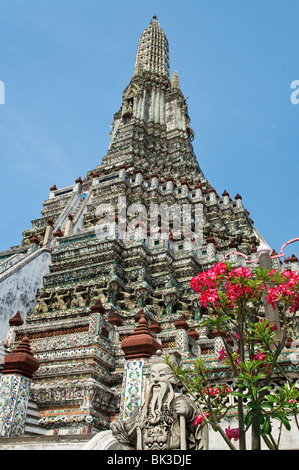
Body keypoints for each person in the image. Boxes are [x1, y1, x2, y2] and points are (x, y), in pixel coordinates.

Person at [110, 351, 207, 450]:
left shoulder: (180, 401)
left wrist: (189, 414)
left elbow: (200, 424)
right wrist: (119, 428)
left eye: (161, 375)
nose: (156, 380)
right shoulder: (144, 408)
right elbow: (129, 433)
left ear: (172, 378)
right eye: (152, 376)